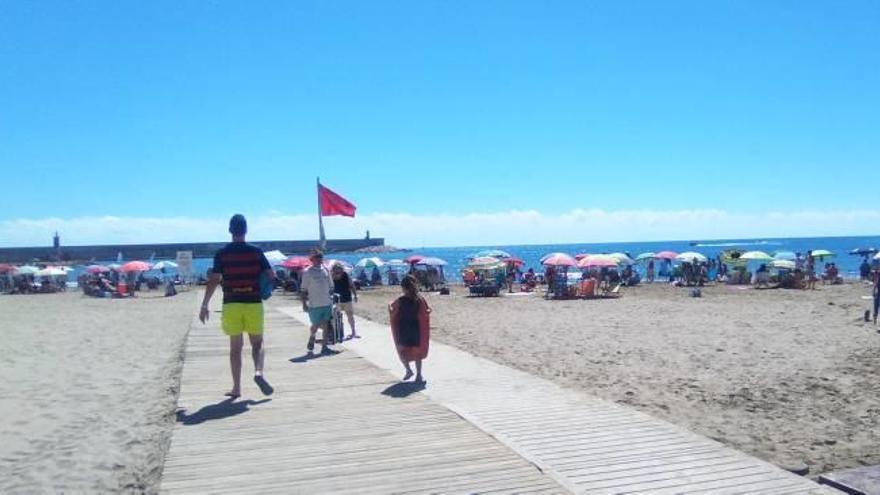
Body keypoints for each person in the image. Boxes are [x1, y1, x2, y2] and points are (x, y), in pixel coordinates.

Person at [199, 214, 275, 399]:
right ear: (246, 230)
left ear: (230, 230)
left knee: (235, 348)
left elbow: (215, 279)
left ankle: (236, 388)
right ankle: (258, 372)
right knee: (257, 343)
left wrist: (205, 304)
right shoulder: (256, 252)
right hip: (253, 301)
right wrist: (263, 286)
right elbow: (271, 275)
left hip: (232, 303)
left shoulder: (222, 253)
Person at [389, 275, 430, 383]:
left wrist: (389, 306)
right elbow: (427, 310)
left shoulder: (401, 300)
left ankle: (408, 370)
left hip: (404, 328)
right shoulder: (420, 299)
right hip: (416, 328)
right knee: (417, 353)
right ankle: (419, 375)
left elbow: (392, 308)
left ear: (404, 288)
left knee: (401, 350)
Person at [300, 248, 338, 355]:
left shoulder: (326, 270)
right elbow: (303, 290)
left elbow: (331, 286)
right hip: (314, 304)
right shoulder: (307, 272)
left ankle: (324, 347)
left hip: (326, 302)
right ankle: (312, 336)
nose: (319, 259)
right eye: (317, 257)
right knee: (315, 325)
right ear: (312, 259)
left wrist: (332, 300)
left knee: (326, 324)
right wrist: (304, 304)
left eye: (321, 257)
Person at [331, 263, 359, 339]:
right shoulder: (331, 277)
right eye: (336, 271)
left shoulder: (346, 275)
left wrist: (355, 295)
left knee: (350, 316)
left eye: (340, 271)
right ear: (333, 270)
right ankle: (337, 333)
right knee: (336, 317)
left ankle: (353, 332)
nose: (338, 273)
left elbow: (352, 285)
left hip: (347, 299)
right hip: (336, 300)